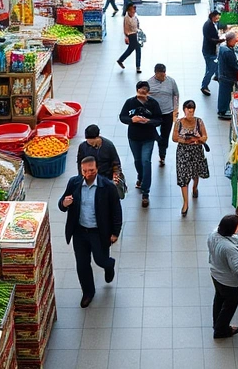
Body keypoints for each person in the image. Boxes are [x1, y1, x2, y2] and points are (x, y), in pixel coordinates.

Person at [59, 156, 123, 308]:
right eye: (85, 171)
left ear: (97, 169)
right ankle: (88, 292)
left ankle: (109, 265)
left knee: (100, 259)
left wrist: (115, 233)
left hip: (99, 232)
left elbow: (116, 211)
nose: (88, 174)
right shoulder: (74, 183)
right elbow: (62, 203)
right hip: (80, 231)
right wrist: (64, 203)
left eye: (91, 170)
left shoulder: (107, 187)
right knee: (82, 264)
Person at [119, 81, 163, 207]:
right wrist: (132, 120)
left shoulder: (153, 103)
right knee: (137, 160)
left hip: (148, 137)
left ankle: (145, 191)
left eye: (145, 91)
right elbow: (122, 117)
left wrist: (148, 121)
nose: (142, 93)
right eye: (140, 90)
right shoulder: (130, 102)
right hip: (134, 137)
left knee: (146, 161)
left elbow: (159, 120)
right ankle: (141, 176)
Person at [208, 214, 238, 339]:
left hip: (215, 274)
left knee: (219, 299)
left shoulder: (214, 234)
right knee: (230, 306)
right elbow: (237, 268)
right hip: (229, 282)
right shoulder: (229, 248)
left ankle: (217, 324)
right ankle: (221, 331)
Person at [173, 100, 208, 217]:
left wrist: (198, 139)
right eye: (188, 112)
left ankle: (195, 187)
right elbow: (174, 138)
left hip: (196, 151)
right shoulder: (178, 123)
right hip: (183, 152)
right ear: (184, 110)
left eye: (192, 112)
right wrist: (185, 140)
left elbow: (205, 136)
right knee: (183, 176)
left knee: (195, 173)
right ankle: (185, 203)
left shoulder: (199, 122)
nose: (190, 114)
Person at [147, 63, 179, 167]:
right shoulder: (149, 83)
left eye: (164, 73)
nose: (163, 76)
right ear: (155, 73)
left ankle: (162, 155)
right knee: (153, 133)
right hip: (154, 114)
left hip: (167, 113)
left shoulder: (171, 81)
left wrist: (175, 109)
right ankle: (159, 141)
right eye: (161, 74)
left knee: (165, 135)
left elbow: (176, 95)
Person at [216, 31, 238, 120]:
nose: (236, 42)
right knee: (225, 94)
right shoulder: (228, 52)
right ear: (230, 41)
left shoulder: (223, 47)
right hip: (227, 77)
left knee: (223, 94)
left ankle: (222, 109)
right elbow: (233, 66)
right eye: (235, 41)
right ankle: (222, 111)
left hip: (222, 75)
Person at [201, 10, 222, 96]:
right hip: (209, 51)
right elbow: (210, 40)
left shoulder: (211, 23)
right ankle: (204, 86)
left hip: (208, 50)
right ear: (212, 17)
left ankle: (217, 76)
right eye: (217, 17)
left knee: (211, 66)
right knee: (211, 69)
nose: (218, 18)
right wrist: (220, 40)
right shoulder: (208, 25)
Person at [116, 4, 142, 73]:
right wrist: (126, 36)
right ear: (128, 11)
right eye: (132, 10)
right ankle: (138, 66)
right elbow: (125, 28)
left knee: (130, 49)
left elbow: (137, 24)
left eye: (134, 10)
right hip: (131, 35)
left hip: (135, 34)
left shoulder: (134, 16)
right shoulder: (127, 18)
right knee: (138, 49)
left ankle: (121, 60)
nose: (133, 12)